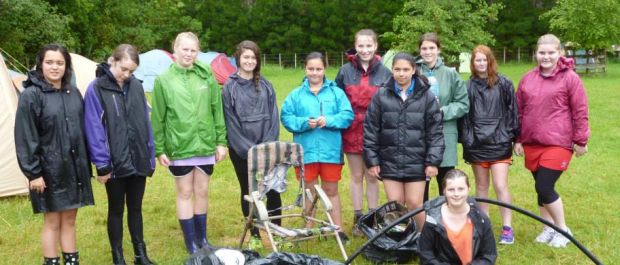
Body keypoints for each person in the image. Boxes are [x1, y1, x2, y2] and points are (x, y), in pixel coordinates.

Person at [15, 44, 94, 265]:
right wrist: (34, 173)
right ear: (40, 64)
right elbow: (25, 137)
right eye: (49, 62)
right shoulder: (31, 95)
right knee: (52, 220)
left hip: (73, 167)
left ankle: (71, 262)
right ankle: (51, 262)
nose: (55, 67)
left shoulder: (73, 92)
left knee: (69, 218)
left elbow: (80, 131)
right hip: (48, 171)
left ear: (66, 65)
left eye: (60, 62)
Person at [151, 32, 227, 254]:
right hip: (179, 145)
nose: (189, 54)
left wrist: (221, 141)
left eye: (193, 50)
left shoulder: (206, 76)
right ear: (175, 50)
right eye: (185, 49)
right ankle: (191, 242)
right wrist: (160, 148)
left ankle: (203, 239)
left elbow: (217, 110)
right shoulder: (163, 80)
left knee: (202, 191)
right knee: (184, 192)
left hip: (205, 144)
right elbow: (158, 117)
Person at [515, 34, 589, 248]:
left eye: (551, 53)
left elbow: (580, 110)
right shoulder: (527, 78)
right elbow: (519, 110)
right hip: (532, 141)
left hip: (558, 142)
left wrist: (581, 140)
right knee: (540, 188)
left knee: (545, 185)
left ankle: (562, 230)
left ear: (560, 53)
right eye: (542, 52)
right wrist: (518, 139)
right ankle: (548, 228)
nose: (546, 57)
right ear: (536, 53)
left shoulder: (570, 78)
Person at [84, 44, 156, 265]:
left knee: (136, 208)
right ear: (112, 61)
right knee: (116, 209)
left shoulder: (136, 87)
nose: (127, 75)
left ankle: (140, 255)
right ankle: (118, 258)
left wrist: (150, 154)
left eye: (131, 71)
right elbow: (93, 127)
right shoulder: (96, 88)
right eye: (123, 69)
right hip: (114, 163)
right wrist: (102, 164)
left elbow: (145, 122)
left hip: (138, 159)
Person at [363, 52, 444, 231]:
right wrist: (372, 161)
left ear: (413, 70)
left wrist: (433, 161)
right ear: (391, 70)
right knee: (396, 205)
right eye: (397, 69)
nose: (401, 73)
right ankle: (403, 241)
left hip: (417, 160)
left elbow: (435, 131)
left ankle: (425, 240)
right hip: (390, 159)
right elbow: (370, 130)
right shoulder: (381, 95)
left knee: (415, 203)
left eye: (406, 69)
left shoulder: (426, 96)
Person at [281, 52, 353, 242]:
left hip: (330, 152)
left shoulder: (336, 93)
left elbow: (347, 116)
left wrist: (329, 120)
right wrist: (304, 123)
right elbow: (286, 117)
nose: (315, 72)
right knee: (309, 191)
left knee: (331, 190)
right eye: (311, 69)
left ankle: (337, 229)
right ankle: (308, 229)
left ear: (325, 69)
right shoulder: (295, 95)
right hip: (306, 152)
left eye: (318, 69)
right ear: (305, 69)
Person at [222, 40, 281, 249]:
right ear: (238, 58)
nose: (249, 61)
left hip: (267, 148)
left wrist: (266, 148)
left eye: (253, 57)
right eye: (245, 57)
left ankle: (277, 232)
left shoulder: (266, 85)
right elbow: (231, 123)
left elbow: (274, 117)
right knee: (249, 190)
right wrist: (250, 151)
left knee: (273, 189)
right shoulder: (229, 87)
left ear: (257, 60)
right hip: (242, 151)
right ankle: (255, 233)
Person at [458, 45, 519, 245]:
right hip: (477, 144)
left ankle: (507, 227)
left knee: (501, 185)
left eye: (485, 59)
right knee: (482, 186)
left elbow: (513, 111)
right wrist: (468, 140)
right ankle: (484, 225)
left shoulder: (504, 83)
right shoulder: (468, 86)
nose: (481, 63)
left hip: (499, 142)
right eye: (478, 60)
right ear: (473, 63)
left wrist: (512, 136)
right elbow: (465, 117)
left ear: (490, 61)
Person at [334, 29, 392, 236]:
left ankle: (374, 217)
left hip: (377, 130)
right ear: (355, 46)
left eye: (369, 46)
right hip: (352, 129)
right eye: (361, 46)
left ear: (375, 46)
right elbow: (335, 98)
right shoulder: (345, 71)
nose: (365, 50)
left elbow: (390, 103)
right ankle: (359, 218)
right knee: (357, 175)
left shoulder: (385, 72)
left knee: (373, 175)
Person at [417, 32, 469, 201]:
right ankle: (421, 222)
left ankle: (446, 222)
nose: (428, 52)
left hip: (445, 132)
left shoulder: (450, 74)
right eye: (424, 48)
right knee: (419, 186)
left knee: (445, 184)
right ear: (419, 50)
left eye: (432, 48)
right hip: (418, 134)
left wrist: (442, 112)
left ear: (438, 49)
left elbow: (463, 103)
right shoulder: (413, 72)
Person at [419, 169, 497, 265]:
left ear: (468, 189)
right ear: (444, 191)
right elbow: (425, 253)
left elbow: (489, 255)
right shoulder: (433, 219)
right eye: (451, 189)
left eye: (461, 189)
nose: (456, 194)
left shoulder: (481, 218)